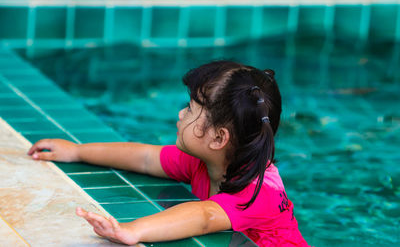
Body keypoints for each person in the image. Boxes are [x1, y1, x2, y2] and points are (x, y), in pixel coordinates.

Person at [27, 61, 309, 246]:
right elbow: (146, 158)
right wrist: (77, 152)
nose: (180, 114)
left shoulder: (260, 193)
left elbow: (204, 216)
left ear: (219, 138)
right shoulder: (204, 162)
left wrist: (132, 230)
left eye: (190, 109)